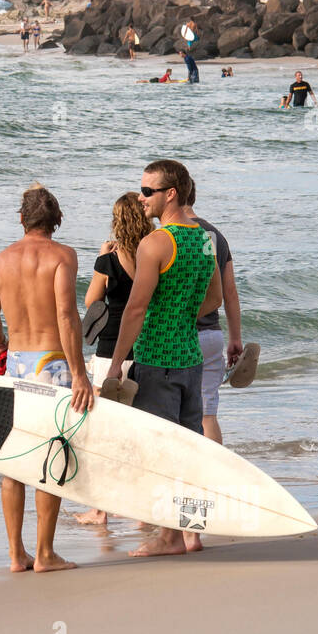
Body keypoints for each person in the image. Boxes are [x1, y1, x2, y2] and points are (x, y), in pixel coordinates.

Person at [101, 160, 222, 557]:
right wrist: (182, 312)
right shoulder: (204, 239)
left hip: (157, 359)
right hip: (190, 357)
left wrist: (118, 362)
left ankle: (169, 537)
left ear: (170, 194)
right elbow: (215, 299)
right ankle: (192, 533)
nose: (141, 197)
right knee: (192, 449)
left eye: (147, 191)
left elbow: (135, 310)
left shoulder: (154, 244)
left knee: (163, 453)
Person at [0, 184, 91, 573]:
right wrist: (79, 374)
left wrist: (0, 344)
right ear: (57, 220)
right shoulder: (63, 256)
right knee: (51, 455)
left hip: (17, 366)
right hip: (52, 363)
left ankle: (16, 555)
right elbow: (65, 315)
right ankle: (44, 554)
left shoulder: (1, 261)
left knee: (13, 461)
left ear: (21, 218)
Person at [76, 192, 154, 526]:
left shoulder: (107, 261)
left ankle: (100, 509)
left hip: (110, 352)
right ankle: (140, 509)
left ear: (117, 221)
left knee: (103, 430)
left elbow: (91, 301)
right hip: (147, 349)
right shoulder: (156, 254)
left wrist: (100, 260)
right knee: (140, 431)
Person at [180, 183, 243, 445]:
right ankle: (214, 477)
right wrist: (235, 339)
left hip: (181, 336)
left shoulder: (172, 234)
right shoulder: (216, 235)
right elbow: (230, 294)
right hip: (212, 335)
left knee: (174, 416)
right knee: (208, 416)